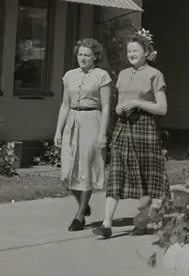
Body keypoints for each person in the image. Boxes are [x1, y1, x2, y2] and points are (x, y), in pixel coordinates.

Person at [96, 30, 170, 240]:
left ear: (146, 52)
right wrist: (119, 108)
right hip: (123, 127)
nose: (132, 54)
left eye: (135, 50)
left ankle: (142, 222)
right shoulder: (123, 74)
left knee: (146, 177)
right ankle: (106, 224)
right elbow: (120, 102)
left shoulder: (155, 75)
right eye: (129, 51)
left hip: (145, 128)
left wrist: (138, 103)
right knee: (116, 174)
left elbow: (162, 108)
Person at [54, 39, 112, 231]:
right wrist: (58, 130)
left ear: (96, 56)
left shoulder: (102, 76)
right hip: (72, 120)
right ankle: (83, 205)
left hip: (92, 121)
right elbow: (65, 104)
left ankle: (79, 217)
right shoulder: (69, 76)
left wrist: (103, 134)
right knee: (67, 171)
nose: (83, 58)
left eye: (87, 55)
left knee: (86, 168)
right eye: (80, 54)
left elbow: (106, 107)